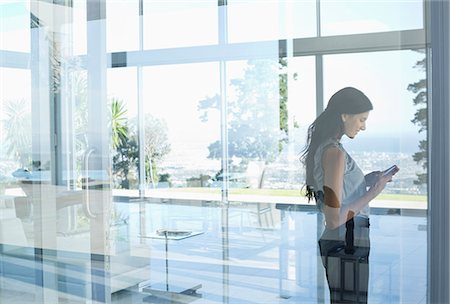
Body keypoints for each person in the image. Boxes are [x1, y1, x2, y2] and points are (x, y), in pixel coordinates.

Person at [300, 87, 399, 303]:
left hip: (345, 239)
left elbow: (338, 194)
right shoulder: (334, 153)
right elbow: (334, 218)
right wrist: (374, 191)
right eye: (362, 119)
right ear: (344, 115)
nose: (364, 126)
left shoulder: (329, 148)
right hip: (346, 239)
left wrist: (365, 181)